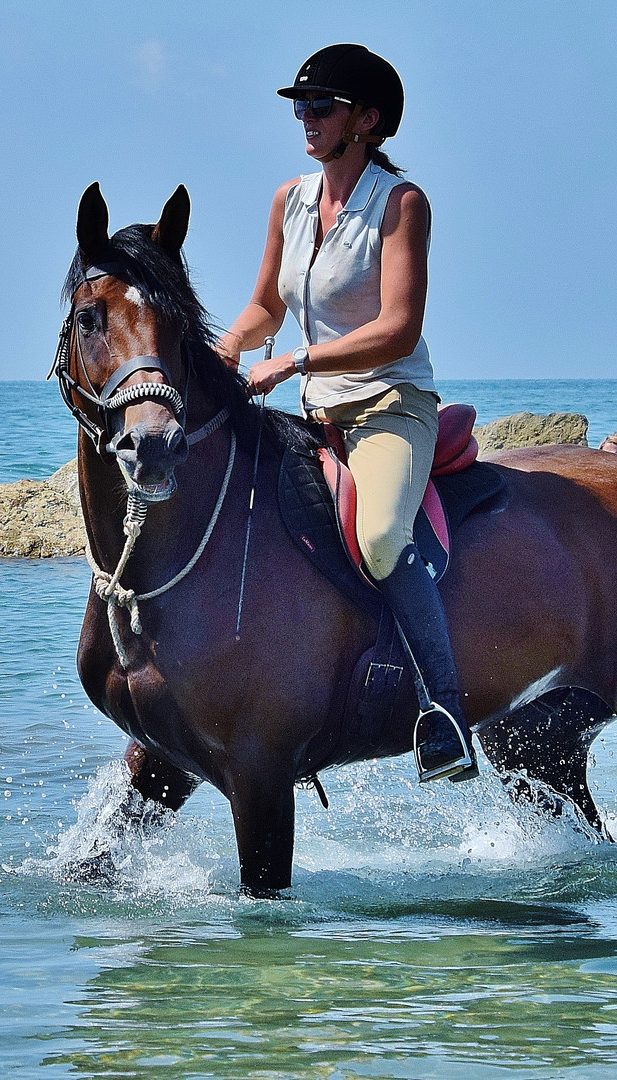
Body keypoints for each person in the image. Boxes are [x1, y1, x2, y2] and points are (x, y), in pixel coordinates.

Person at [213, 44, 476, 784]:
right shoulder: (288, 199)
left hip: (388, 405)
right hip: (311, 411)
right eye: (298, 105)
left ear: (366, 120)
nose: (304, 118)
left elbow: (397, 326)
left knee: (381, 534)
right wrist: (227, 350)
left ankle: (445, 713)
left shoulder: (400, 204)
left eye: (320, 107)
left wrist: (293, 361)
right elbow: (267, 305)